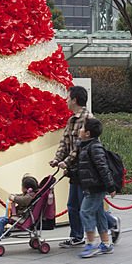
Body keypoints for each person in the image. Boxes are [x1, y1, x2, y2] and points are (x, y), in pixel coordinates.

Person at [50, 85, 90, 247]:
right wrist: (56, 159)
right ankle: (77, 236)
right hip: (74, 170)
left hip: (86, 169)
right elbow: (65, 142)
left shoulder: (87, 118)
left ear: (75, 100)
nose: (66, 101)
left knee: (86, 206)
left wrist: (65, 162)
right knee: (72, 204)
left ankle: (111, 223)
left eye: (68, 98)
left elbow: (80, 146)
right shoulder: (71, 119)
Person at [75, 117, 117, 258]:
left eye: (82, 128)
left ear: (87, 133)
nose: (80, 130)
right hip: (91, 186)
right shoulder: (85, 146)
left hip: (96, 187)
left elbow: (103, 167)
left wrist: (110, 186)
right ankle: (106, 244)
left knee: (85, 212)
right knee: (99, 214)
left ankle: (90, 243)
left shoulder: (94, 147)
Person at [0, 174, 39, 250]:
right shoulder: (30, 194)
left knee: (1, 220)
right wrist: (14, 196)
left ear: (27, 188)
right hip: (22, 217)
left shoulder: (29, 196)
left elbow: (23, 200)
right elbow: (21, 196)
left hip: (23, 218)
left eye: (22, 186)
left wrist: (14, 198)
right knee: (0, 219)